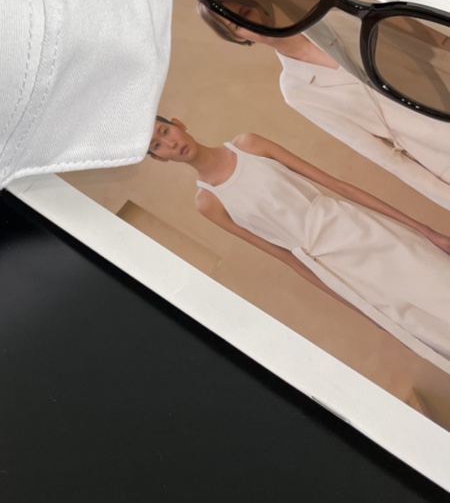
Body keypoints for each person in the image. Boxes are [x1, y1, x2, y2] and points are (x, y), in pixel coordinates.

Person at [148, 116, 450, 372]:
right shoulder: (208, 203)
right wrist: (365, 313)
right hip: (336, 268)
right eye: (158, 146)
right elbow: (287, 259)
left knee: (438, 280)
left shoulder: (248, 145)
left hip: (361, 229)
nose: (170, 143)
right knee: (426, 326)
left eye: (165, 131)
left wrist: (426, 231)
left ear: (178, 124)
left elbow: (339, 186)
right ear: (159, 158)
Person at [197, 0, 450, 212]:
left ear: (260, 7)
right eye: (237, 25)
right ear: (238, 38)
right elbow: (381, 154)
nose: (249, 23)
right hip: (436, 157)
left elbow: (420, 65)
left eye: (245, 12)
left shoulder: (335, 22)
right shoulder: (295, 90)